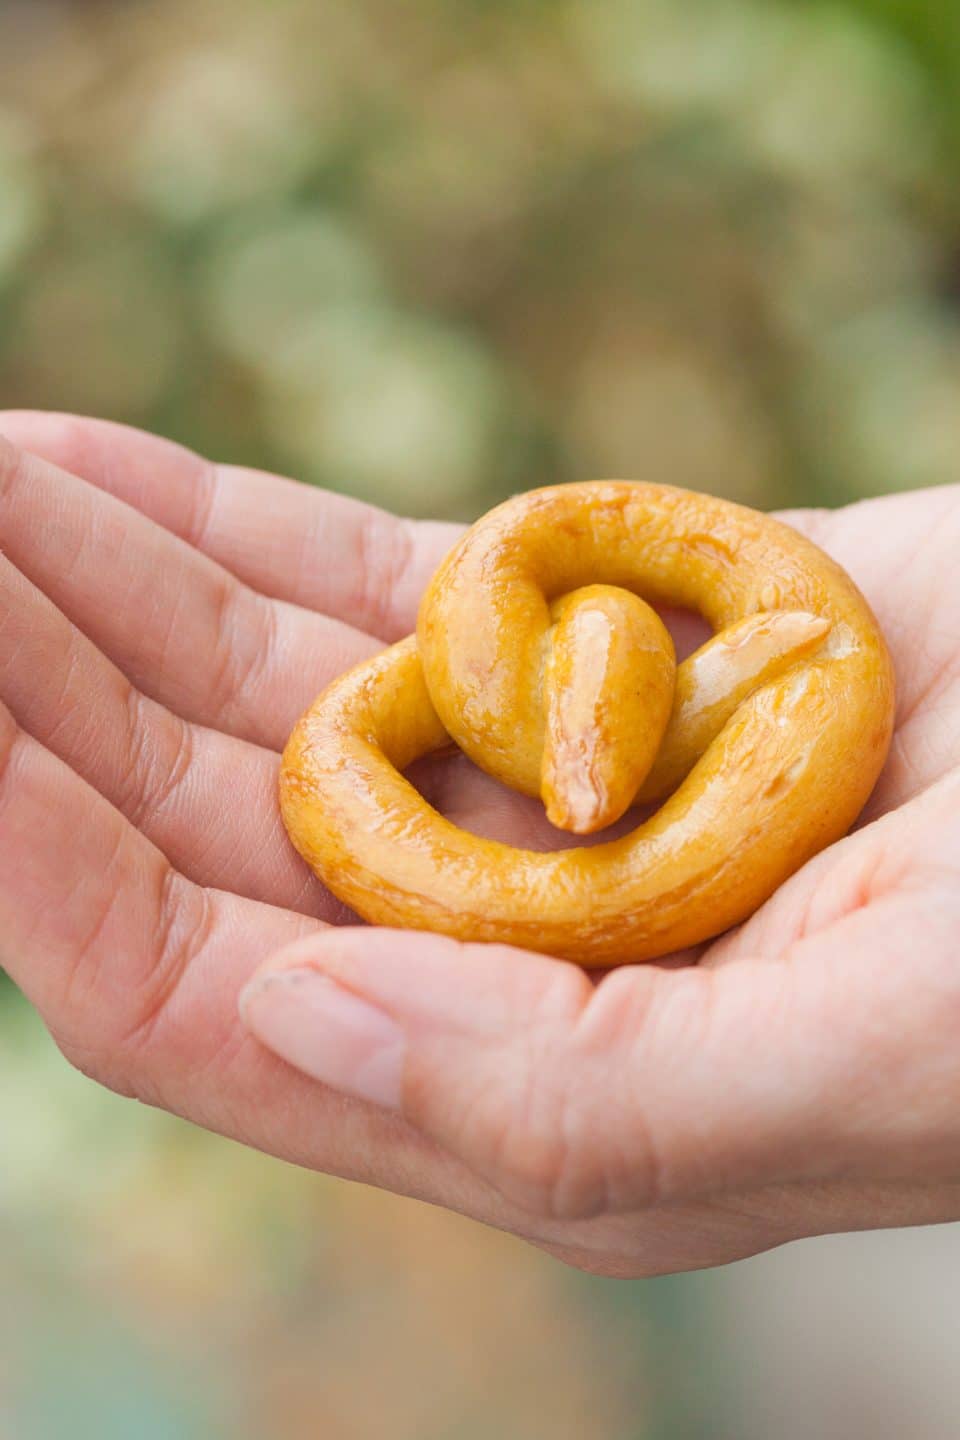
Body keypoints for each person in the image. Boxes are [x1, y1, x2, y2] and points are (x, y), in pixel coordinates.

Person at [1, 410, 958, 1279]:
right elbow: (616, 672)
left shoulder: (723, 641)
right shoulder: (765, 644)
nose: (577, 803)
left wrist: (602, 742)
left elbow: (616, 656)